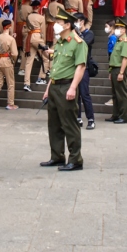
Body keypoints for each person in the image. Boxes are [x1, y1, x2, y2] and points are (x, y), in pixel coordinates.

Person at [40, 11, 88, 171]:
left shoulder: (78, 43)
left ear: (68, 25)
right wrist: (48, 88)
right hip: (54, 86)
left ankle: (75, 159)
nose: (56, 25)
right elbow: (56, 68)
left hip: (67, 86)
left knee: (70, 124)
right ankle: (57, 156)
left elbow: (80, 67)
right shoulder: (60, 42)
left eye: (59, 22)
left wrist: (73, 87)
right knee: (54, 124)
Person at [72, 13, 96, 130]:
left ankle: (90, 119)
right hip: (74, 66)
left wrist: (76, 34)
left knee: (84, 93)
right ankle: (78, 117)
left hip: (84, 67)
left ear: (82, 22)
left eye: (76, 21)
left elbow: (84, 44)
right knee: (76, 94)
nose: (75, 23)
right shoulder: (74, 34)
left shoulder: (89, 34)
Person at [107, 19, 127, 123]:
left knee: (121, 94)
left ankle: (123, 116)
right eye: (116, 28)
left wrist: (121, 72)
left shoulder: (125, 42)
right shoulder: (118, 41)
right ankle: (116, 114)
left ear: (124, 30)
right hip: (114, 69)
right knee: (114, 94)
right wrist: (110, 71)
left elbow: (124, 59)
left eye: (119, 28)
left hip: (119, 69)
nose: (117, 30)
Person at [22, 3, 46, 91]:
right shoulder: (41, 17)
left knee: (29, 61)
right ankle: (41, 78)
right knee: (46, 58)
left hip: (29, 38)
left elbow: (26, 29)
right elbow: (43, 31)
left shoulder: (28, 17)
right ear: (39, 7)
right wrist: (44, 41)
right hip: (38, 37)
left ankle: (26, 84)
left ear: (32, 7)